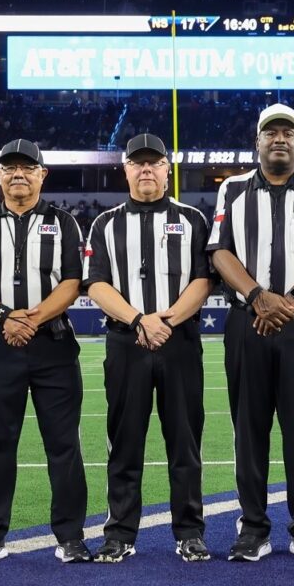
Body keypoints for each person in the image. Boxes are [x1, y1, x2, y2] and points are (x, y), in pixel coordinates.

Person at [207, 103, 294, 562]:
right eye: (271, 133)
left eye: (288, 132)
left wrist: (290, 300)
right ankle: (252, 526)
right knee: (248, 429)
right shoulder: (232, 188)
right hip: (247, 319)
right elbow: (219, 252)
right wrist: (256, 297)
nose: (280, 139)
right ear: (258, 142)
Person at [0, 140, 91, 565]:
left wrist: (30, 319)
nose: (18, 174)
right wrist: (3, 316)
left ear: (42, 174)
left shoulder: (65, 222)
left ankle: (70, 535)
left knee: (63, 444)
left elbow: (72, 282)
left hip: (53, 343)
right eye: (10, 167)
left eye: (27, 168)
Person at [84, 133, 213, 563]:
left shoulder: (193, 219)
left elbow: (203, 280)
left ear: (166, 170)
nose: (145, 170)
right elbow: (97, 283)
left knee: (185, 442)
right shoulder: (105, 223)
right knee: (124, 443)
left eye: (153, 163)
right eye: (137, 163)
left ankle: (190, 532)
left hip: (178, 341)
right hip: (126, 342)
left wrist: (166, 321)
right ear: (125, 170)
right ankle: (120, 532)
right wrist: (140, 320)